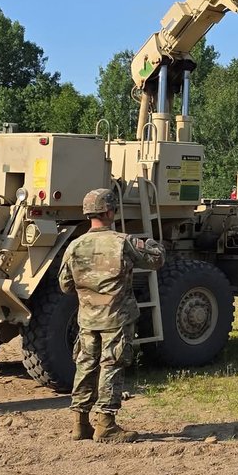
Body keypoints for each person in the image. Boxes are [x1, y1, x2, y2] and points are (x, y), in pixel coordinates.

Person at [58, 188, 165, 443]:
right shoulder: (122, 242)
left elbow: (64, 285)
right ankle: (106, 424)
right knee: (111, 366)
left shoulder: (75, 246)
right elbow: (156, 260)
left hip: (87, 318)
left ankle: (80, 424)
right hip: (116, 318)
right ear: (109, 211)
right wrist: (151, 243)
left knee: (84, 367)